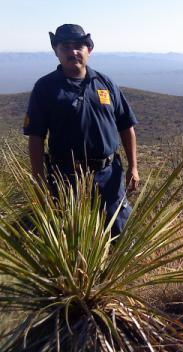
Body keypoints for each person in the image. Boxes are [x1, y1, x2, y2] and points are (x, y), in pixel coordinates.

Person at [23, 24, 140, 235]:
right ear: (56, 51)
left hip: (108, 174)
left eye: (79, 46)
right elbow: (36, 137)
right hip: (67, 177)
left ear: (89, 50)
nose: (73, 52)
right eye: (65, 47)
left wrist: (133, 167)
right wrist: (39, 181)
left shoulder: (105, 83)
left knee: (118, 233)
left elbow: (126, 126)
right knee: (72, 238)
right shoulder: (45, 87)